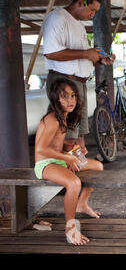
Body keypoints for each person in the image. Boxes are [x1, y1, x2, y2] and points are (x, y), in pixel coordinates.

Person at [42, 0, 115, 156]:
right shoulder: (58, 18)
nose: (93, 15)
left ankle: (77, 171)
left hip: (78, 83)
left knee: (79, 136)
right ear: (81, 3)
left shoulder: (79, 26)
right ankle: (64, 174)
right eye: (92, 10)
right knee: (65, 136)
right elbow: (51, 53)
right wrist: (86, 53)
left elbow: (80, 57)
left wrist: (98, 58)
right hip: (64, 83)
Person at [34, 78, 103, 245]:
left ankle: (82, 204)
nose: (70, 100)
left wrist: (73, 148)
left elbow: (56, 143)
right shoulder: (52, 119)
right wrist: (68, 157)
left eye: (73, 96)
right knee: (73, 183)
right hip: (45, 164)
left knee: (97, 167)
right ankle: (70, 228)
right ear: (55, 99)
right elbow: (41, 149)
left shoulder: (63, 117)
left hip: (59, 160)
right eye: (64, 97)